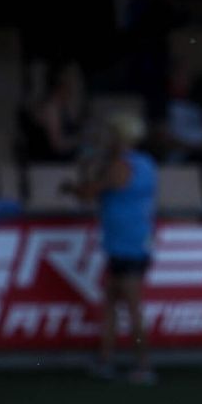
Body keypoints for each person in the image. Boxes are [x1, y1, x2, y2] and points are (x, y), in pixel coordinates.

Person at [64, 113, 159, 385]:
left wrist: (78, 180)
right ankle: (106, 361)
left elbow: (89, 192)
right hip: (129, 243)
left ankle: (144, 366)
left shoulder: (122, 165)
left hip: (127, 246)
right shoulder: (146, 163)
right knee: (111, 305)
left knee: (131, 307)